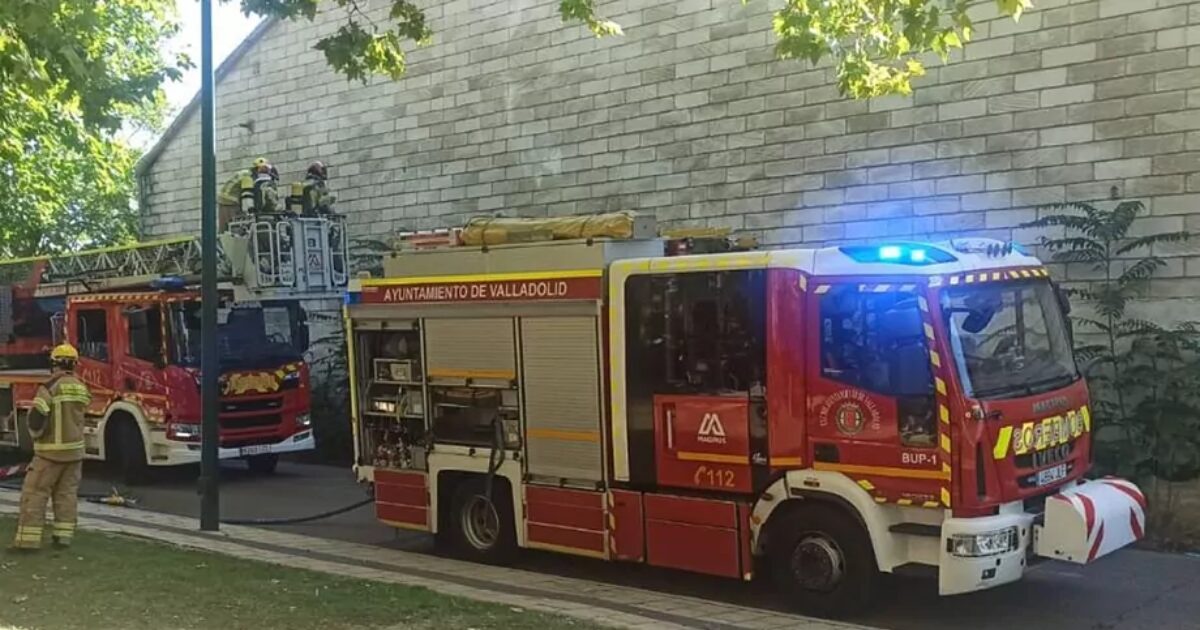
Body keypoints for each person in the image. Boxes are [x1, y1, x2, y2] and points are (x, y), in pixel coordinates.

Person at [9, 344, 90, 552]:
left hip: (50, 453)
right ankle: (63, 538)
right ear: (74, 364)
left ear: (54, 363)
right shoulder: (81, 386)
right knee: (66, 495)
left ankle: (27, 542)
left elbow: (37, 417)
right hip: (74, 454)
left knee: (34, 494)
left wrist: (36, 435)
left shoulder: (50, 386)